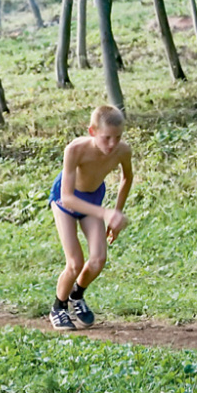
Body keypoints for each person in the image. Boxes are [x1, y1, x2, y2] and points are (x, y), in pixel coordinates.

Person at [47, 106, 133, 331]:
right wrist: (106, 213)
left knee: (98, 259)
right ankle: (59, 307)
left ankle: (77, 295)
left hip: (92, 200)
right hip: (66, 201)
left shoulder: (123, 151)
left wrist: (116, 214)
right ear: (92, 131)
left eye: (118, 137)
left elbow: (127, 178)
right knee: (74, 262)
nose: (112, 144)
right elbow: (67, 198)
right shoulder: (75, 150)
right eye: (106, 138)